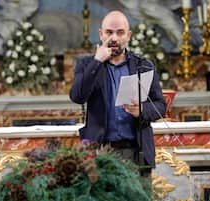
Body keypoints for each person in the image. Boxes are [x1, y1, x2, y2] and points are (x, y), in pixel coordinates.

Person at [69, 10, 166, 174]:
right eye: (109, 32)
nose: (114, 38)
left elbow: (160, 106)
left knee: (139, 200)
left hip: (137, 152)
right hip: (100, 152)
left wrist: (141, 110)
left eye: (120, 32)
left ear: (128, 35)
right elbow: (77, 96)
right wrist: (97, 61)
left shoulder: (144, 66)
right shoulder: (87, 65)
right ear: (101, 34)